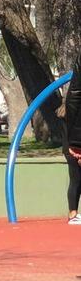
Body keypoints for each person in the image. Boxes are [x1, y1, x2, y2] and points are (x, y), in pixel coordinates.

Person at [63, 60, 81, 225]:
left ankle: (73, 213)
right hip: (74, 143)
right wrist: (74, 145)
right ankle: (73, 213)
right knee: (76, 178)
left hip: (73, 142)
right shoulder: (74, 102)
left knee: (76, 179)